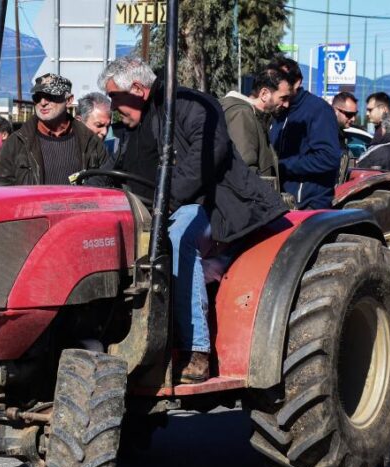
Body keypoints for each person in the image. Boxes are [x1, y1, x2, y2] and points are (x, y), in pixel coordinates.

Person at [99, 56, 287, 383]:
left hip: (218, 206)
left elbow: (205, 159)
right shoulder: (134, 127)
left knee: (179, 235)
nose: (113, 106)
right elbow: (122, 172)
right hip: (163, 207)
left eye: (116, 97)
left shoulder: (192, 106)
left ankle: (195, 350)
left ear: (139, 89)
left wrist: (166, 201)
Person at [0, 73, 107, 186]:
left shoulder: (91, 142)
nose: (43, 103)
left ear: (69, 100)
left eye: (50, 96)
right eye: (37, 97)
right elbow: (0, 187)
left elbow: (106, 184)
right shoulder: (16, 142)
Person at [269, 56, 342, 210]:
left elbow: (328, 157)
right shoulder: (277, 111)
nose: (279, 84)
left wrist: (282, 166)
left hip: (307, 205)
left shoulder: (318, 110)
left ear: (297, 82)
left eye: (284, 79)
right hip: (280, 202)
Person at [220, 68, 291, 180]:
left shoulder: (258, 117)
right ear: (264, 94)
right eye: (283, 98)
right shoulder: (242, 115)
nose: (286, 104)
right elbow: (245, 172)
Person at [332, 91, 358, 181]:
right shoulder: (324, 134)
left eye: (355, 114)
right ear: (335, 110)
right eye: (349, 114)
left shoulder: (342, 136)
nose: (353, 119)